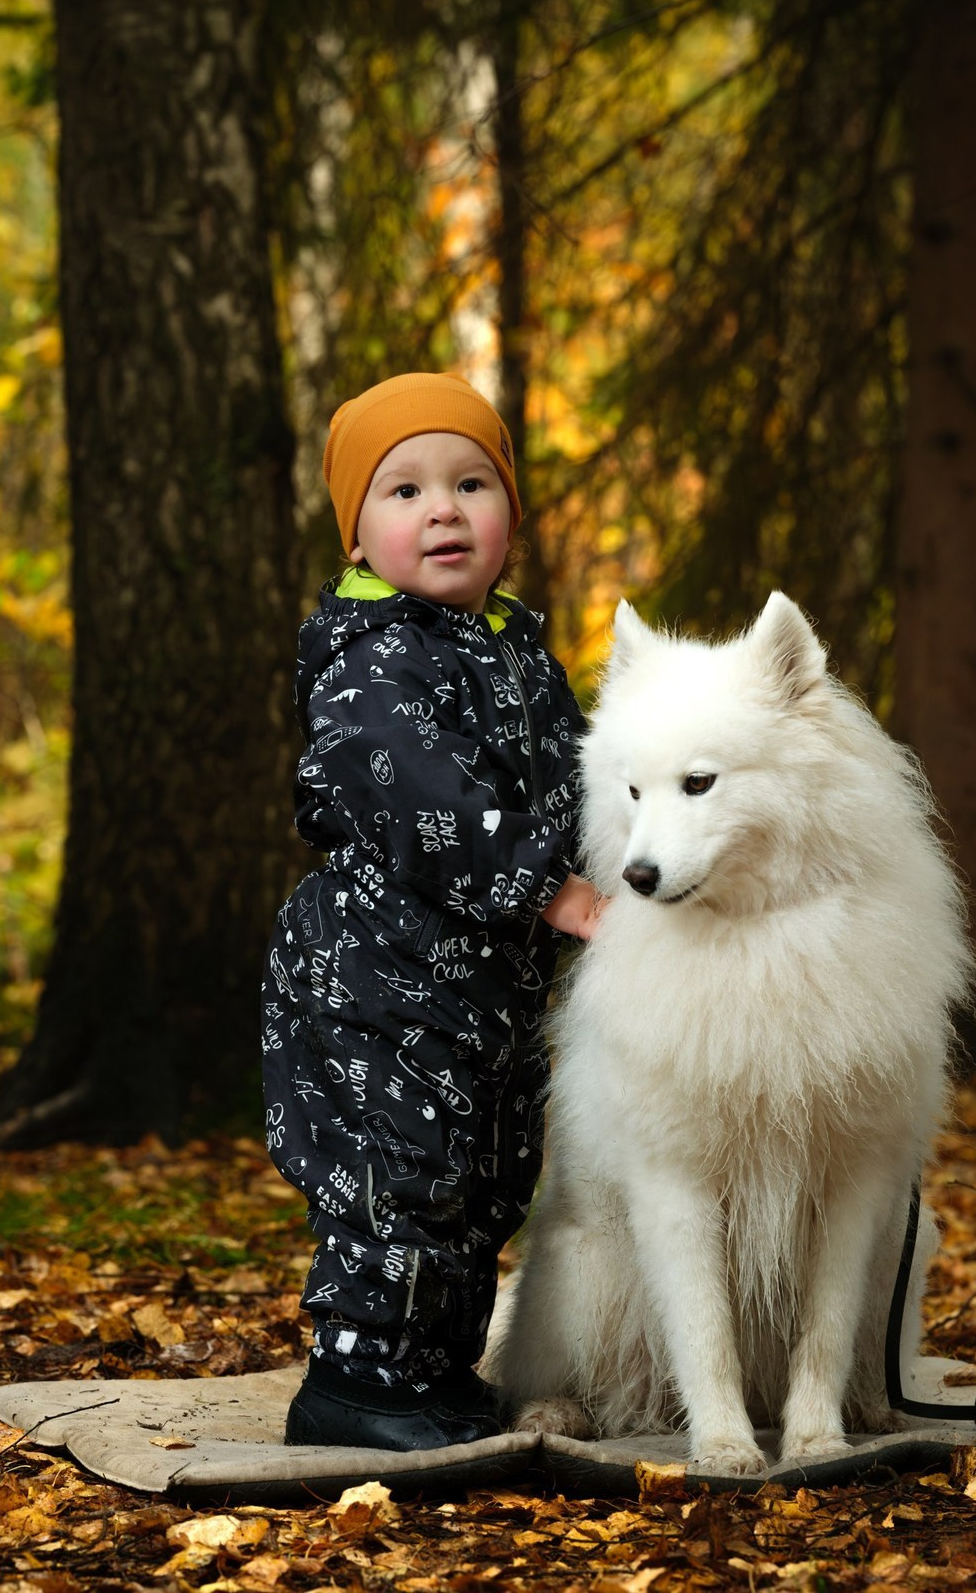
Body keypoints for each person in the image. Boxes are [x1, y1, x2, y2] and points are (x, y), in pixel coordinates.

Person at [262, 372, 603, 1452]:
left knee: (483, 1176)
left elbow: (580, 784)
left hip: (484, 993)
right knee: (395, 1177)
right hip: (375, 986)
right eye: (403, 491)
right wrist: (556, 891)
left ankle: (432, 1374)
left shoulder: (517, 653)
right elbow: (428, 802)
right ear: (358, 538)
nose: (443, 509)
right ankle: (355, 1386)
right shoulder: (372, 660)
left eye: (470, 482)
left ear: (508, 511)